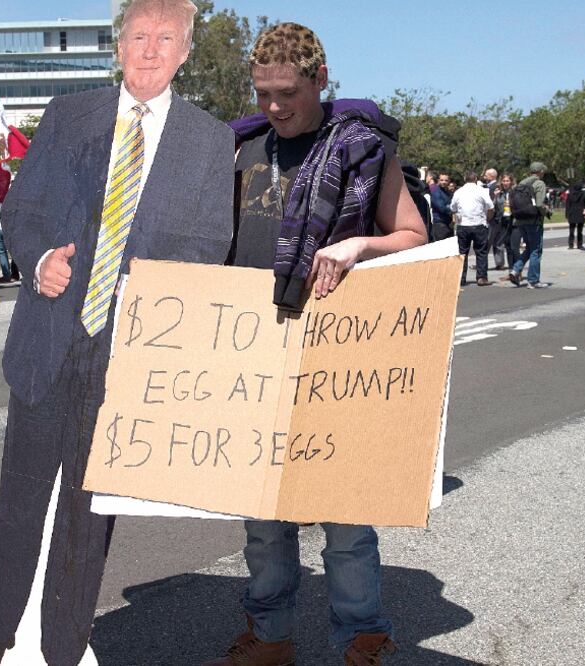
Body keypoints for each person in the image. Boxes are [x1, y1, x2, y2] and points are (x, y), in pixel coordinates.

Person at [0, 1, 235, 663]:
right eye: (138, 36)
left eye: (165, 39)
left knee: (87, 517)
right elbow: (23, 211)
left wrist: (155, 290)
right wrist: (37, 261)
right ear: (118, 47)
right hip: (48, 339)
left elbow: (211, 242)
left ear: (184, 53)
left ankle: (63, 647)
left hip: (129, 353)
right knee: (20, 498)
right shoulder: (68, 116)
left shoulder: (208, 139)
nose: (149, 50)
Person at [208, 22, 427, 666]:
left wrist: (361, 244)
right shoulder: (238, 149)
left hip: (336, 355)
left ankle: (363, 635)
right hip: (251, 353)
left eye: (288, 93)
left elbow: (413, 235)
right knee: (262, 520)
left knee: (346, 516)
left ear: (320, 80)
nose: (274, 106)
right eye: (263, 93)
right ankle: (270, 637)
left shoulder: (361, 149)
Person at [508, 162, 550, 288]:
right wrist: (546, 211)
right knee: (536, 250)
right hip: (534, 221)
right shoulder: (539, 183)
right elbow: (539, 204)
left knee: (529, 248)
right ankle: (533, 280)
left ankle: (515, 270)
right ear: (540, 172)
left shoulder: (521, 184)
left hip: (520, 220)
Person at [451, 171, 494, 286]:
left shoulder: (458, 192)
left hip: (463, 224)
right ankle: (481, 277)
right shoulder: (482, 191)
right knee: (481, 251)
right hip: (478, 223)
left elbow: (453, 208)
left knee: (462, 252)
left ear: (465, 179)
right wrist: (487, 219)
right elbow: (490, 207)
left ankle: (461, 278)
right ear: (476, 179)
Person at [491, 173, 516, 271]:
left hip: (512, 220)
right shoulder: (499, 193)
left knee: (511, 245)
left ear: (511, 182)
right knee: (498, 243)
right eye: (504, 181)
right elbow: (493, 207)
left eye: (507, 181)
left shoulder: (514, 192)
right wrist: (495, 197)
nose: (505, 183)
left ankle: (514, 268)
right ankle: (500, 264)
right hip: (501, 220)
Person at [564, 182, 585, 250]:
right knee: (580, 230)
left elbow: (567, 205)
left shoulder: (570, 194)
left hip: (572, 213)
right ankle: (579, 244)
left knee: (571, 230)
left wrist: (567, 214)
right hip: (581, 213)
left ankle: (571, 244)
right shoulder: (584, 194)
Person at [430, 172, 454, 240]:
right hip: (440, 224)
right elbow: (442, 208)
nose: (444, 182)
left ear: (449, 181)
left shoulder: (448, 192)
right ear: (438, 180)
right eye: (442, 180)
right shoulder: (436, 191)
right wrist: (453, 210)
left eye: (446, 180)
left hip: (448, 223)